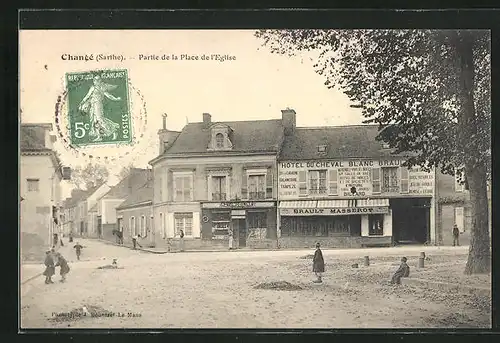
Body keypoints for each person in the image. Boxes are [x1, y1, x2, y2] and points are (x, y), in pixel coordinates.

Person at [78, 75, 121, 142]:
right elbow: (87, 96)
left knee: (100, 119)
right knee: (95, 121)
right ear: (94, 81)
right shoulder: (92, 88)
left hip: (98, 105)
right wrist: (82, 102)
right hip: (92, 105)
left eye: (98, 80)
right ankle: (99, 136)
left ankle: (114, 131)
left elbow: (108, 95)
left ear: (100, 81)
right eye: (95, 80)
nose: (96, 81)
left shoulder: (102, 88)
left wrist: (116, 99)